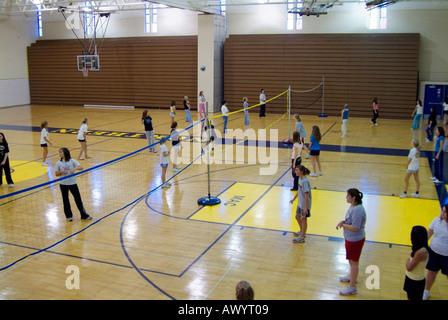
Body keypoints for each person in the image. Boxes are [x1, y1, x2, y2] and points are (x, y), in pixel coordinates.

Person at [336, 188, 366, 296]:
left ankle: (352, 287)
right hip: (350, 238)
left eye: (348, 196)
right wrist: (343, 221)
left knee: (354, 263)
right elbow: (350, 220)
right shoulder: (353, 206)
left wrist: (343, 225)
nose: (346, 197)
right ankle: (351, 276)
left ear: (353, 198)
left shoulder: (358, 210)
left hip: (355, 240)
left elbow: (355, 227)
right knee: (351, 261)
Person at [54, 147, 92, 222]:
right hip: (63, 184)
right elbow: (56, 174)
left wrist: (74, 169)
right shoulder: (58, 163)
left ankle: (83, 214)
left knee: (78, 199)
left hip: (72, 183)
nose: (60, 154)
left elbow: (81, 167)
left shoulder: (72, 161)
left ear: (65, 153)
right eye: (59, 152)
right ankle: (69, 216)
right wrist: (61, 172)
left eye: (61, 152)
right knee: (65, 200)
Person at [423, 204, 448, 300]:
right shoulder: (436, 221)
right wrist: (422, 246)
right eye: (443, 210)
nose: (443, 213)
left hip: (447, 256)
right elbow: (429, 234)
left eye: (445, 212)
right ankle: (426, 291)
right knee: (431, 272)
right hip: (434, 252)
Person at [403, 226, 429, 300]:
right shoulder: (418, 247)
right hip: (411, 278)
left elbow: (409, 268)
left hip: (415, 281)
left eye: (412, 233)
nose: (410, 234)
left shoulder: (420, 252)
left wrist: (407, 261)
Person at [289, 165, 311, 243]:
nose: (295, 172)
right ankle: (302, 231)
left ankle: (302, 236)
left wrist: (305, 208)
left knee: (304, 219)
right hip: (300, 203)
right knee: (297, 217)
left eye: (297, 170)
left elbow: (306, 194)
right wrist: (293, 199)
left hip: (304, 204)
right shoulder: (300, 179)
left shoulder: (305, 181)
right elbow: (299, 190)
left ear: (301, 171)